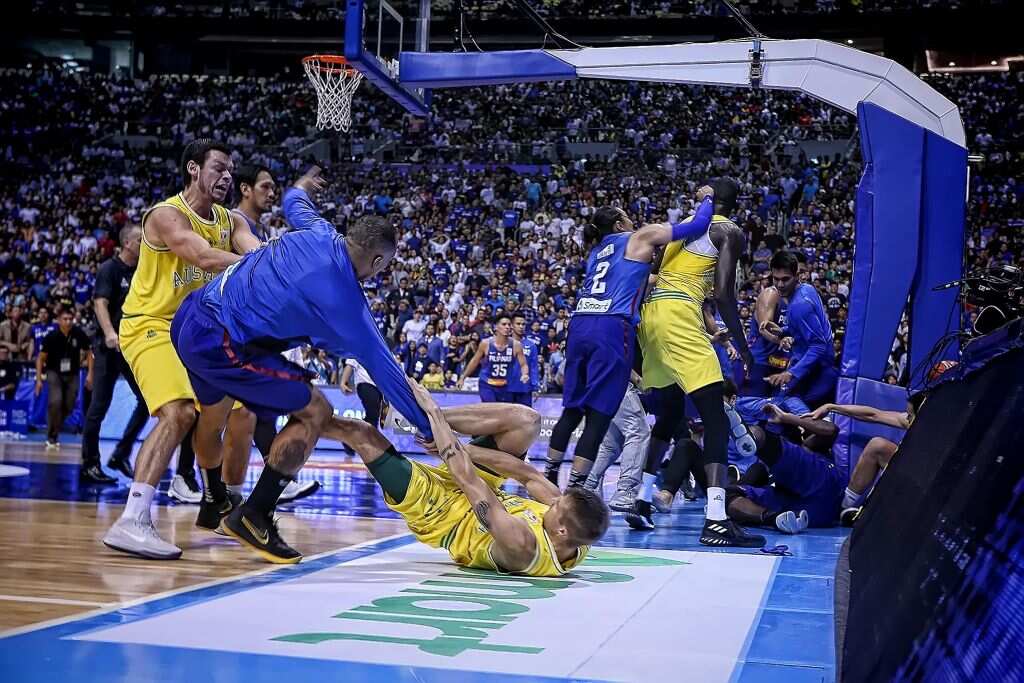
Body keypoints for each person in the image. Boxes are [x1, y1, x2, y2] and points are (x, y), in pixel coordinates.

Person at [170, 165, 434, 564]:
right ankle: (255, 514)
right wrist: (429, 428)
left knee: (216, 416)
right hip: (219, 342)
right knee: (315, 409)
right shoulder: (348, 306)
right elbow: (389, 375)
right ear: (378, 261)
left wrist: (302, 185)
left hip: (190, 314)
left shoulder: (319, 231)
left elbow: (295, 202)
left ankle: (214, 499)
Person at [101, 139, 262, 561]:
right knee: (179, 412)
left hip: (197, 335)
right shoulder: (165, 215)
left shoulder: (231, 220)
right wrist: (260, 267)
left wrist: (280, 261)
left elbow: (254, 248)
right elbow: (202, 255)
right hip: (151, 326)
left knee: (244, 410)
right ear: (193, 168)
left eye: (231, 171)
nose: (227, 176)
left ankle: (220, 499)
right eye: (219, 168)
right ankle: (132, 520)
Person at [330, 378, 607, 577]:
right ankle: (407, 418)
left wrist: (434, 414)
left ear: (561, 531)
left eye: (556, 507)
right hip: (478, 484)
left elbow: (467, 481)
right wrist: (458, 443)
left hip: (441, 511)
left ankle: (306, 420)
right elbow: (526, 473)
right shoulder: (575, 533)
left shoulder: (522, 545)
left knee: (360, 433)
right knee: (527, 421)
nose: (554, 501)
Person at [544, 197, 716, 488]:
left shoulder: (596, 252)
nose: (633, 222)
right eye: (627, 218)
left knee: (572, 410)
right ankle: (576, 488)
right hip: (610, 328)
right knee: (599, 414)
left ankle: (548, 475)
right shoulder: (638, 237)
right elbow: (699, 224)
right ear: (619, 223)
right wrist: (708, 199)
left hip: (580, 324)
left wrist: (656, 280)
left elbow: (634, 281)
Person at [633, 178, 764, 547]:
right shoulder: (729, 231)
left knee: (670, 416)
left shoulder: (681, 228)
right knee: (715, 416)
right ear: (735, 204)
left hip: (652, 315)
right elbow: (722, 294)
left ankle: (642, 500)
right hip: (678, 314)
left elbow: (658, 270)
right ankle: (717, 519)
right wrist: (743, 345)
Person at [219, 163, 320, 505]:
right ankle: (198, 483)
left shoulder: (256, 226)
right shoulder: (235, 221)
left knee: (250, 412)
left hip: (244, 332)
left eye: (275, 187)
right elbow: (257, 265)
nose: (271, 192)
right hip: (225, 330)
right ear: (245, 189)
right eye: (265, 186)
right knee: (220, 412)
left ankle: (225, 491)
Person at [80, 224, 150, 484]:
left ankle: (120, 454)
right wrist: (110, 333)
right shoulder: (109, 269)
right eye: (140, 240)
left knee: (147, 402)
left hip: (132, 348)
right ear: (127, 243)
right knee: (98, 407)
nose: (145, 244)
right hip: (108, 347)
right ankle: (90, 464)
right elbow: (100, 302)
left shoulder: (143, 270)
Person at [725, 403, 846, 532]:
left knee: (759, 435)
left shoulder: (812, 447)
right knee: (727, 496)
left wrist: (787, 418)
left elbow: (831, 430)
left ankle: (751, 437)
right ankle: (774, 518)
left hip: (821, 485)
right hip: (802, 511)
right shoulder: (776, 465)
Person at [805, 396, 919, 524]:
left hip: (927, 483)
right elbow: (873, 415)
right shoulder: (912, 421)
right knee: (877, 445)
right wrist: (831, 407)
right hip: (911, 474)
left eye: (910, 415)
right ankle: (844, 507)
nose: (907, 418)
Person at [762, 251, 837, 408]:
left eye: (785, 279)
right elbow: (811, 326)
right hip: (812, 366)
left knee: (785, 410)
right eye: (776, 279)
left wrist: (791, 373)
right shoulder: (807, 289)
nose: (780, 285)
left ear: (797, 275)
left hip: (816, 371)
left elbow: (819, 345)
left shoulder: (799, 305)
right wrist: (782, 331)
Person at [35, 309, 92, 449]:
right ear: (59, 320)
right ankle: (52, 436)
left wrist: (90, 374)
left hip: (72, 373)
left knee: (69, 405)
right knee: (55, 401)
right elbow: (40, 359)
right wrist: (38, 380)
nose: (68, 321)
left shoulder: (78, 333)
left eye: (70, 319)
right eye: (65, 319)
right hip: (54, 372)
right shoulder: (51, 336)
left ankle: (54, 427)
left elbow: (90, 353)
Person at [457, 315, 530, 403]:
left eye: (509, 324)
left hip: (505, 385)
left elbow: (524, 364)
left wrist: (525, 374)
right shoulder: (486, 343)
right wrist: (463, 377)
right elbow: (474, 361)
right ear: (496, 327)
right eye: (504, 324)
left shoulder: (516, 345)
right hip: (487, 384)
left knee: (503, 413)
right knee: (491, 409)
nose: (507, 327)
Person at [744, 285, 789, 397]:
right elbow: (764, 328)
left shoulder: (797, 299)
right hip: (761, 359)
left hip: (781, 362)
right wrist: (781, 341)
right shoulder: (770, 294)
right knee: (755, 404)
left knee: (778, 407)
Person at [340, 357, 384, 428]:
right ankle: (364, 435)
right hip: (365, 383)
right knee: (372, 415)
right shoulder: (358, 348)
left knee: (374, 416)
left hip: (379, 387)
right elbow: (350, 364)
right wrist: (343, 382)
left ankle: (363, 433)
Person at [509, 312, 540, 406]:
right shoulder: (504, 344)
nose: (521, 326)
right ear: (512, 326)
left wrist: (535, 387)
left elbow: (534, 368)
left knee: (524, 419)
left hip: (524, 389)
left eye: (523, 324)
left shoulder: (531, 345)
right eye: (518, 324)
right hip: (506, 388)